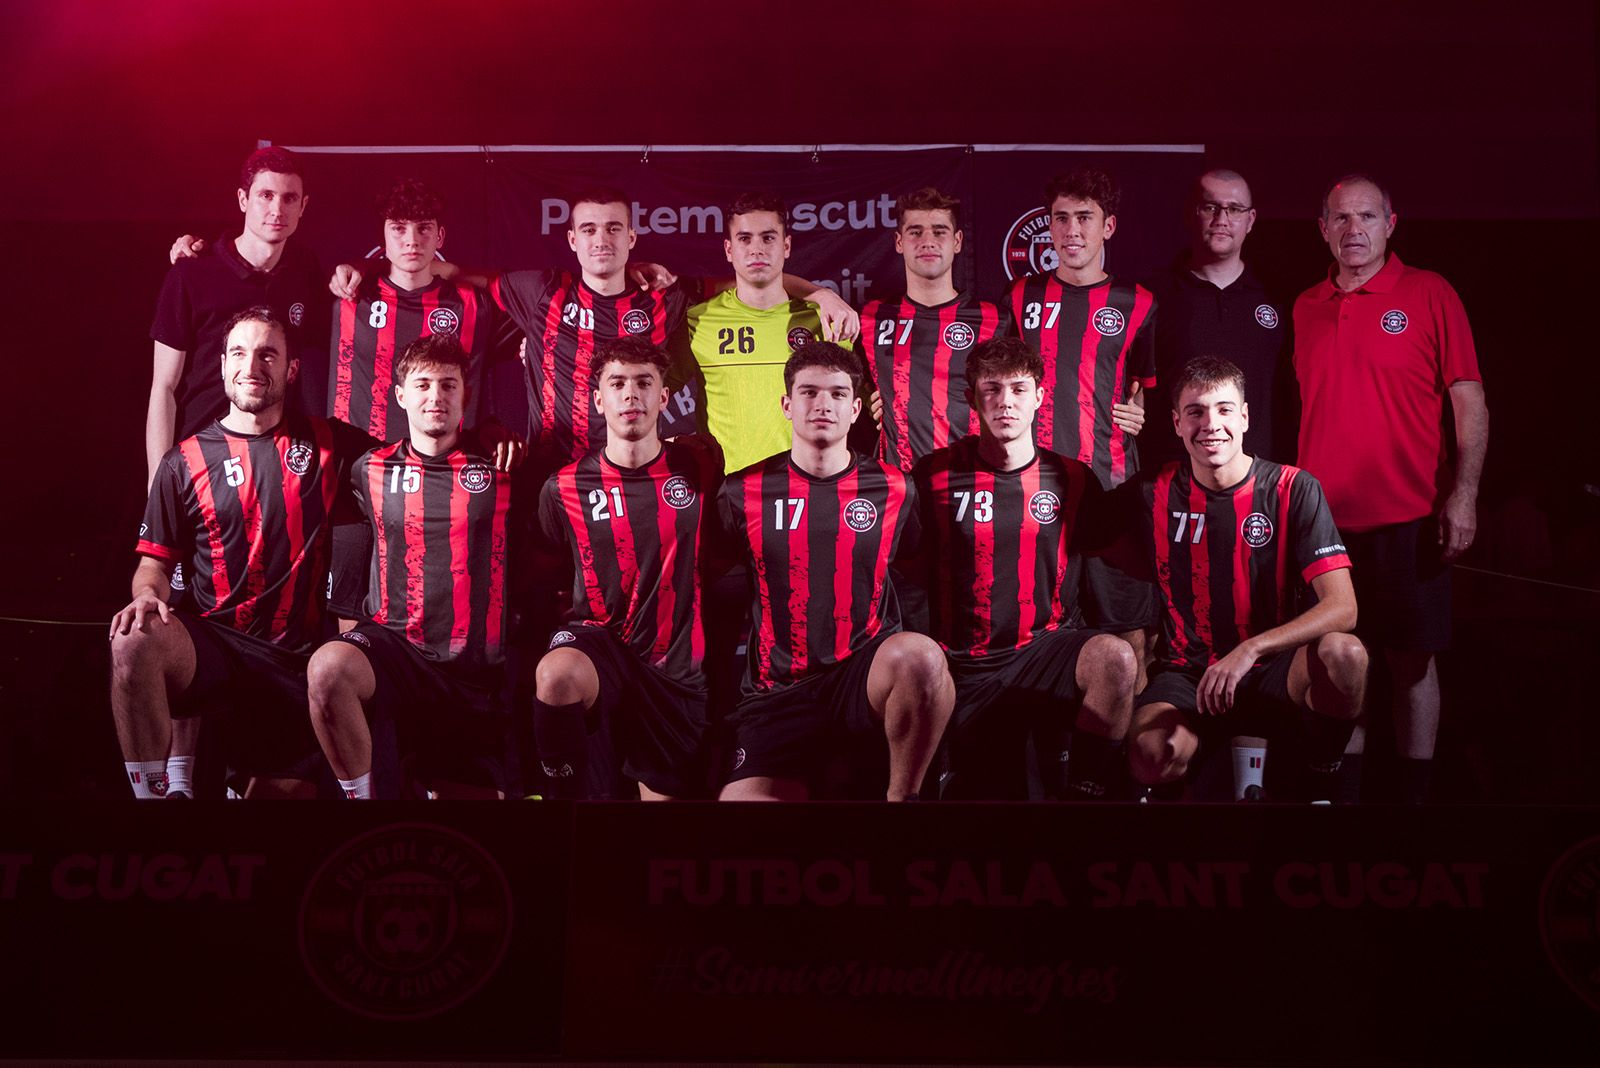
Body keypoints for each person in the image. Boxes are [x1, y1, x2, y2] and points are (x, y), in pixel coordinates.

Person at [110, 307, 374, 798]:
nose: (252, 366)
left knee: (274, 809)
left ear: (291, 370)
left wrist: (486, 436)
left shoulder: (329, 444)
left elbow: (411, 461)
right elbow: (153, 564)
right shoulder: (183, 461)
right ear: (222, 365)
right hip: (215, 651)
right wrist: (147, 594)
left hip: (298, 659)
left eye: (268, 354)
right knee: (132, 637)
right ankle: (149, 802)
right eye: (239, 352)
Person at [1293, 174, 1488, 803]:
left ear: (1391, 223)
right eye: (1341, 219)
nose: (1355, 231)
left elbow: (1470, 401)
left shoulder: (1430, 292)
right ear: (1322, 228)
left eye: (1368, 217)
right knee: (1338, 662)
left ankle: (1412, 801)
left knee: (1412, 661)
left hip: (1410, 516)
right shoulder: (1304, 306)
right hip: (1322, 525)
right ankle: (1343, 799)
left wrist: (1464, 495)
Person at [715, 342, 954, 801]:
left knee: (922, 657)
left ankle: (906, 805)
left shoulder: (894, 487)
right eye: (808, 392)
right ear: (787, 405)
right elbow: (713, 585)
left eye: (837, 394)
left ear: (856, 408)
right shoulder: (741, 491)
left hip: (862, 678)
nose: (823, 404)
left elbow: (916, 572)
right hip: (777, 692)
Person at [1126, 357, 1366, 802]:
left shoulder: (1294, 487)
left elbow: (1343, 607)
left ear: (1245, 416)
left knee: (1345, 654)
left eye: (1223, 409)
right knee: (1151, 752)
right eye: (1195, 412)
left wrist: (1250, 648)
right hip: (1188, 673)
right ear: (1177, 423)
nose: (1210, 424)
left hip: (1274, 669)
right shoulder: (1150, 492)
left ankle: (1320, 777)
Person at [910, 337, 1136, 800]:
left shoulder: (1072, 478)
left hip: (1044, 653)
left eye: (1018, 388)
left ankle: (1085, 799)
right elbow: (905, 571)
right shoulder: (932, 474)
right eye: (991, 390)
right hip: (961, 665)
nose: (1005, 402)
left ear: (1039, 396)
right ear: (973, 398)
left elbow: (1116, 557)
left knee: (1114, 658)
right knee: (997, 803)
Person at [306, 333, 520, 799]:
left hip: (476, 675)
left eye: (448, 385)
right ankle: (360, 804)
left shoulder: (503, 467)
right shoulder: (368, 468)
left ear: (466, 394)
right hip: (397, 657)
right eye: (422, 385)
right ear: (401, 396)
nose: (435, 397)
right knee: (327, 668)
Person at [533, 337, 719, 800]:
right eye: (617, 383)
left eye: (643, 382)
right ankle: (563, 814)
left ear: (664, 397)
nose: (630, 394)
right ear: (599, 399)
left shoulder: (699, 467)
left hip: (674, 669)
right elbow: (551, 569)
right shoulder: (563, 487)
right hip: (599, 647)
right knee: (557, 674)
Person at [1003, 168, 1159, 682]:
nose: (1072, 230)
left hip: (1113, 489)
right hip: (1039, 494)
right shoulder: (1021, 297)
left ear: (1108, 227)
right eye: (1061, 218)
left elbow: (1144, 390)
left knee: (1129, 630)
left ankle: (1126, 757)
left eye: (1085, 218)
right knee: (1043, 633)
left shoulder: (1139, 302)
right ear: (1048, 226)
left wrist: (1139, 414)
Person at [150, 147, 325, 485]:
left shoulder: (305, 271)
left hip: (277, 463)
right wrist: (159, 482)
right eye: (266, 195)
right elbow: (164, 387)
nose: (277, 209)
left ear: (303, 206)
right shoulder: (192, 274)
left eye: (289, 198)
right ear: (243, 199)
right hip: (201, 458)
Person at [671, 193, 858, 474]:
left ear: (786, 246)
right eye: (745, 239)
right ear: (728, 249)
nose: (756, 249)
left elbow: (862, 406)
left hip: (808, 489)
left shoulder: (826, 320)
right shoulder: (699, 320)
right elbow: (653, 389)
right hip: (726, 493)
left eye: (768, 238)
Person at [1144, 168, 1296, 466]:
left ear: (1250, 220)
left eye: (1234, 209)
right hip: (1173, 478)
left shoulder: (1279, 298)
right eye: (1210, 207)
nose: (1221, 219)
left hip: (1259, 477)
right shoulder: (1153, 297)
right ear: (1191, 213)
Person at [861, 187, 1008, 472]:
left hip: (971, 481)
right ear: (899, 241)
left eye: (939, 232)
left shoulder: (995, 320)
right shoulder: (871, 317)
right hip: (898, 488)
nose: (927, 241)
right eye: (915, 232)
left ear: (957, 241)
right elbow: (852, 381)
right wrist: (868, 398)